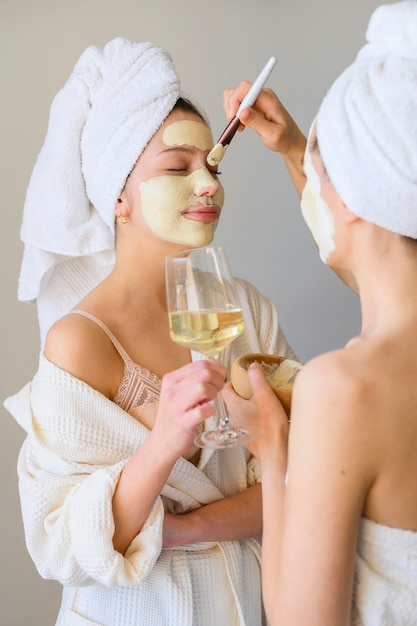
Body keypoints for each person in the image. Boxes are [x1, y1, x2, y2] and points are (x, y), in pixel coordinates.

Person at [3, 38, 296, 626]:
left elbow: (290, 485)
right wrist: (164, 438)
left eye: (212, 164)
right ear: (118, 197)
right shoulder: (79, 342)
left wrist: (180, 530)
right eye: (177, 168)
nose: (208, 183)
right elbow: (62, 545)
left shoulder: (246, 311)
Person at [222, 1, 417, 624]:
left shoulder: (342, 391)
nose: (311, 175)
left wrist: (275, 445)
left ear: (359, 197)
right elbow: (381, 265)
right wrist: (296, 146)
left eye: (319, 169)